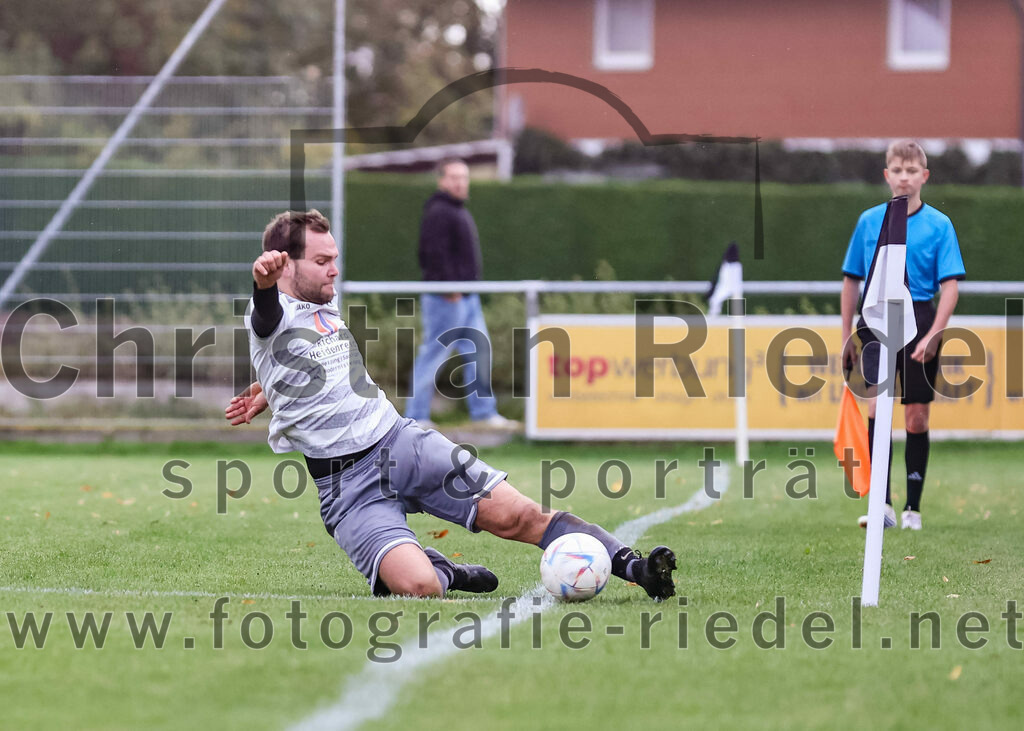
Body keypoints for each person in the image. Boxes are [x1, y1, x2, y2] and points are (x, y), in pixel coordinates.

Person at [225, 209, 677, 600]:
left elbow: (313, 356)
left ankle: (635, 567)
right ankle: (446, 570)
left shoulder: (322, 298)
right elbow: (269, 318)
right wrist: (262, 285)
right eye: (322, 262)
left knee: (520, 516)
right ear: (285, 266)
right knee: (420, 589)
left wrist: (272, 388)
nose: (334, 271)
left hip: (403, 443)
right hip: (348, 489)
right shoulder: (267, 312)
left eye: (335, 260)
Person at [840, 139, 966, 531]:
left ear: (924, 176)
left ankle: (912, 508)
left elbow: (950, 286)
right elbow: (851, 279)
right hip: (875, 321)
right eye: (897, 170)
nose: (904, 178)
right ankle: (884, 506)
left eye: (912, 171)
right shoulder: (868, 220)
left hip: (921, 319)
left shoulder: (939, 225)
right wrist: (846, 333)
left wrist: (935, 333)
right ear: (887, 175)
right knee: (877, 409)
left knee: (915, 418)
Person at [404, 158, 516, 429]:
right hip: (447, 298)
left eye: (464, 177)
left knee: (478, 350)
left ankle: (484, 414)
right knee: (434, 353)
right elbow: (430, 253)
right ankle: (416, 416)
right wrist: (448, 287)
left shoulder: (456, 210)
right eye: (454, 177)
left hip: (466, 296)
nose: (460, 182)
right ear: (442, 181)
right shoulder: (439, 212)